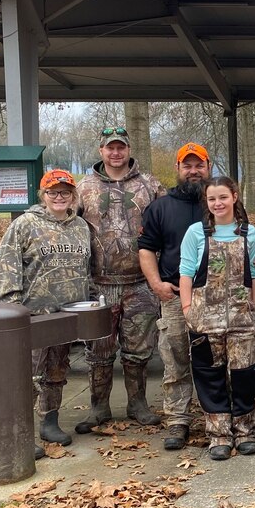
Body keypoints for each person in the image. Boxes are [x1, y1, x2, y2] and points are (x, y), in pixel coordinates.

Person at [74, 126, 166, 434]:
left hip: (139, 283)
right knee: (98, 351)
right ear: (101, 151)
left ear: (129, 150)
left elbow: (167, 225)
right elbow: (65, 224)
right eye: (110, 148)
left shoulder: (150, 184)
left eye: (121, 147)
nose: (116, 153)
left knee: (138, 349)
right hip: (98, 284)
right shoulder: (83, 187)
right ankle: (98, 407)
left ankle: (137, 403)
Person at [0, 168, 91, 458]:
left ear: (73, 195)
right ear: (43, 195)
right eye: (53, 192)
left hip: (66, 315)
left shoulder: (81, 227)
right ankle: (19, 431)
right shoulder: (25, 224)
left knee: (57, 372)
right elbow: (8, 265)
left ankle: (50, 422)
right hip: (33, 315)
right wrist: (12, 308)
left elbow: (87, 268)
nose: (59, 197)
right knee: (28, 375)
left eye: (65, 192)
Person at [178, 177, 255, 461]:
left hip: (242, 320)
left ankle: (245, 431)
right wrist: (188, 308)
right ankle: (219, 435)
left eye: (223, 197)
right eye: (212, 199)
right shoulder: (196, 233)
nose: (218, 203)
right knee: (209, 376)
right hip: (205, 320)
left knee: (245, 375)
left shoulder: (249, 233)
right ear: (207, 201)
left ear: (235, 197)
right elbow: (186, 272)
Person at [138, 142, 211, 452]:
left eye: (199, 165)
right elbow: (146, 249)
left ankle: (217, 416)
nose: (193, 171)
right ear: (179, 169)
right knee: (175, 359)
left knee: (213, 361)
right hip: (173, 295)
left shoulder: (218, 203)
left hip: (214, 298)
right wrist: (156, 283)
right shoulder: (160, 207)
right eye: (187, 165)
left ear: (209, 167)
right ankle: (178, 421)